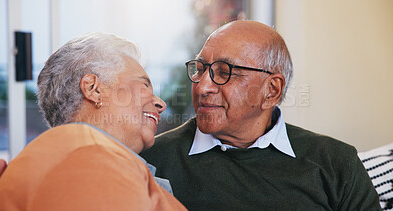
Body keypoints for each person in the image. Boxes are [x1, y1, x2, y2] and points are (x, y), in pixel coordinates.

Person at [139, 20, 382, 210]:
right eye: (200, 69)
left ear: (271, 91)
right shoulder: (151, 161)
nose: (203, 87)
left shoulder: (337, 163)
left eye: (224, 72)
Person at [0, 32, 186, 210]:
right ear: (94, 88)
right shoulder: (92, 158)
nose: (160, 104)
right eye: (144, 84)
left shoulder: (78, 157)